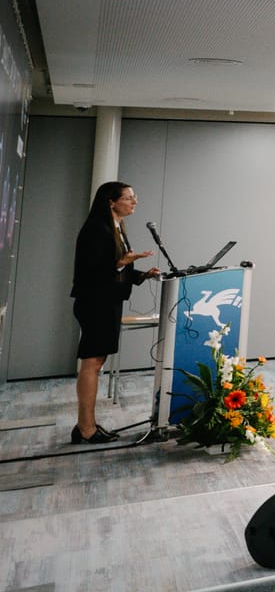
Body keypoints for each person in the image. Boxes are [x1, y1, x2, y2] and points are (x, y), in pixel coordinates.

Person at [68, 181, 160, 443]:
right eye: (129, 198)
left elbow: (117, 267)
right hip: (95, 302)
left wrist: (142, 274)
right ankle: (85, 429)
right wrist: (121, 263)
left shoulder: (117, 227)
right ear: (111, 202)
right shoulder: (97, 229)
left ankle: (86, 424)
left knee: (96, 362)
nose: (135, 201)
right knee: (92, 363)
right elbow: (93, 271)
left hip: (106, 301)